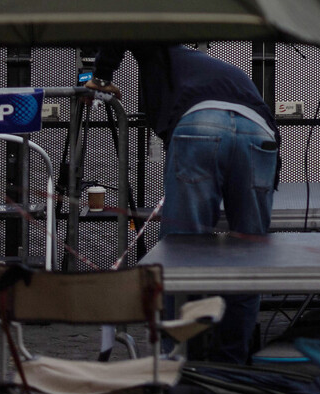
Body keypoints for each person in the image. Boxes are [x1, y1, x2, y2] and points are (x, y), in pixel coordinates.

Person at [88, 45, 277, 364]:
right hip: (259, 131)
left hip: (199, 124)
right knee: (250, 254)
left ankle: (178, 358)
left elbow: (125, 22)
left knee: (181, 252)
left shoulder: (161, 50)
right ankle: (233, 363)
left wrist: (101, 77)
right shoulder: (220, 68)